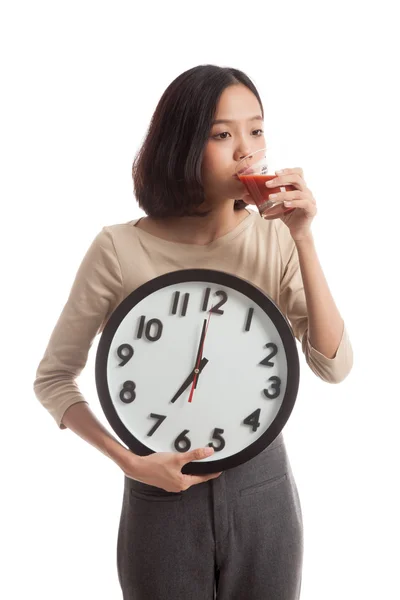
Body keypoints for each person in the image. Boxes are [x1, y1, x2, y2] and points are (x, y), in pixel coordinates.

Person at [33, 64, 353, 599]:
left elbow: (334, 365)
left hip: (263, 490)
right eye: (222, 135)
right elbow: (54, 379)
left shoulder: (275, 241)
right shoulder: (118, 249)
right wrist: (130, 462)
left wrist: (304, 239)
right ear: (181, 145)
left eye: (256, 130)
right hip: (159, 491)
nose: (246, 151)